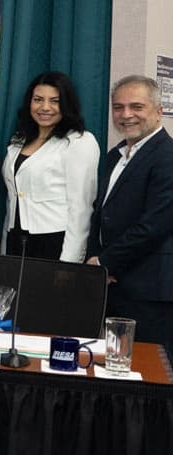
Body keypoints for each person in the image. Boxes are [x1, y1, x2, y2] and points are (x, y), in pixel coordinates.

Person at [87, 75, 173, 354]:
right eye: (118, 107)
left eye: (137, 107)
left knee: (150, 378)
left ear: (158, 111)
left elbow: (154, 225)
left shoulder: (167, 156)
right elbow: (101, 216)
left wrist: (105, 262)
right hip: (115, 286)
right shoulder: (115, 155)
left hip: (150, 291)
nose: (126, 115)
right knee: (116, 371)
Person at [2, 71, 99, 262]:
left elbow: (81, 208)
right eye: (38, 99)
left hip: (54, 242)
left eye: (55, 101)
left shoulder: (79, 141)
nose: (45, 107)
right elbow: (12, 199)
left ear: (66, 104)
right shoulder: (18, 140)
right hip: (16, 239)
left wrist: (69, 263)